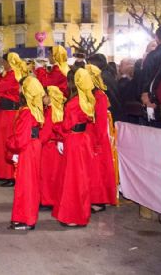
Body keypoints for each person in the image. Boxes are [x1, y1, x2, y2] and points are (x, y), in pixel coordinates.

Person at [52, 68, 95, 227]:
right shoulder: (87, 99)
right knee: (81, 178)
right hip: (83, 140)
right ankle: (78, 213)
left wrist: (56, 126)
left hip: (74, 141)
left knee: (72, 178)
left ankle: (73, 215)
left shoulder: (73, 103)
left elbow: (66, 126)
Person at [7, 76, 46, 230]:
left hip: (27, 149)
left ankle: (26, 219)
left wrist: (10, 144)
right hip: (32, 147)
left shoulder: (26, 112)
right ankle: (25, 217)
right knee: (30, 183)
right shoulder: (35, 109)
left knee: (26, 185)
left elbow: (21, 139)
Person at [85, 64, 118, 212]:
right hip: (89, 135)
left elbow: (101, 120)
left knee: (98, 169)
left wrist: (98, 141)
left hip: (97, 137)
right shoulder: (89, 94)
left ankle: (99, 200)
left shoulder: (99, 96)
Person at [0, 53, 27, 186]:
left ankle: (10, 175)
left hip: (10, 113)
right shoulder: (9, 75)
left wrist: (0, 92)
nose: (3, 64)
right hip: (5, 111)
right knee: (3, 142)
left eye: (5, 61)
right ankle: (6, 174)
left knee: (8, 142)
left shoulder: (12, 74)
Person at [38, 85, 66, 208]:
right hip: (55, 146)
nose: (42, 98)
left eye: (44, 95)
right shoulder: (59, 109)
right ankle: (53, 199)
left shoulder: (50, 112)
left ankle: (47, 200)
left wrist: (36, 141)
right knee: (55, 175)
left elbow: (46, 131)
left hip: (48, 147)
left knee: (46, 175)